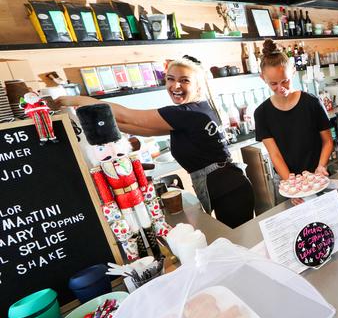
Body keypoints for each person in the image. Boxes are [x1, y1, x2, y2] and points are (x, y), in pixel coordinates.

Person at [56, 56, 255, 228]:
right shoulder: (197, 109)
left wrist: (73, 101)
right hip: (230, 187)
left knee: (240, 244)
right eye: (170, 79)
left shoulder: (183, 113)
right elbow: (133, 126)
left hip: (228, 191)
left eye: (184, 81)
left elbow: (127, 115)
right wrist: (91, 122)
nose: (175, 86)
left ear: (197, 86)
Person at [254, 39, 334, 185]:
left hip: (317, 175)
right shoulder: (261, 113)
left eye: (285, 81)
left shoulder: (311, 103)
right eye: (273, 83)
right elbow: (275, 154)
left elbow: (328, 141)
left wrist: (321, 166)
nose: (281, 87)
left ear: (293, 73)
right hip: (287, 180)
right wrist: (292, 184)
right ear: (262, 78)